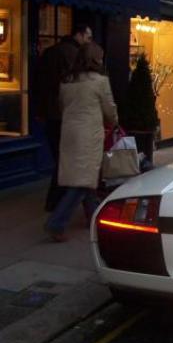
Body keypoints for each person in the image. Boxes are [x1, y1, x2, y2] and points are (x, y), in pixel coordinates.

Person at [45, 42, 117, 242]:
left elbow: (62, 106)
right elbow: (109, 109)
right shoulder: (100, 81)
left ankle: (93, 217)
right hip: (88, 135)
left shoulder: (66, 81)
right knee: (82, 182)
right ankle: (56, 223)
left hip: (69, 133)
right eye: (100, 57)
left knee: (84, 178)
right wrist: (114, 121)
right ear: (95, 59)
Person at [34, 24, 93, 212]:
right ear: (79, 34)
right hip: (65, 115)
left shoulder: (51, 52)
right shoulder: (74, 55)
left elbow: (39, 83)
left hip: (50, 114)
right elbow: (75, 87)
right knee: (71, 162)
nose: (89, 41)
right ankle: (61, 207)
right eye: (88, 37)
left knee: (63, 160)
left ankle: (59, 204)